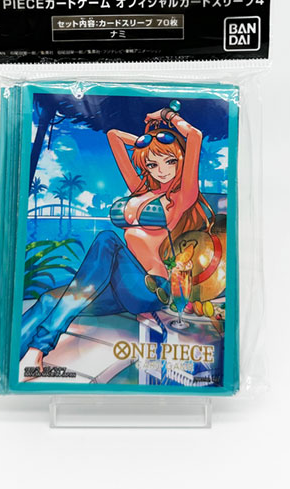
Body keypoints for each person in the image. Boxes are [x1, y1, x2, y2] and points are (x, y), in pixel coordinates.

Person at [19, 103, 213, 374]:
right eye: (153, 164)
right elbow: (113, 136)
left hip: (150, 289)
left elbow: (194, 136)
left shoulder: (182, 197)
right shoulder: (140, 189)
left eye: (170, 161)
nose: (162, 170)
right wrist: (147, 145)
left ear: (180, 160)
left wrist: (166, 117)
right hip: (121, 285)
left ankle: (38, 349)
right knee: (49, 300)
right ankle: (12, 362)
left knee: (107, 240)